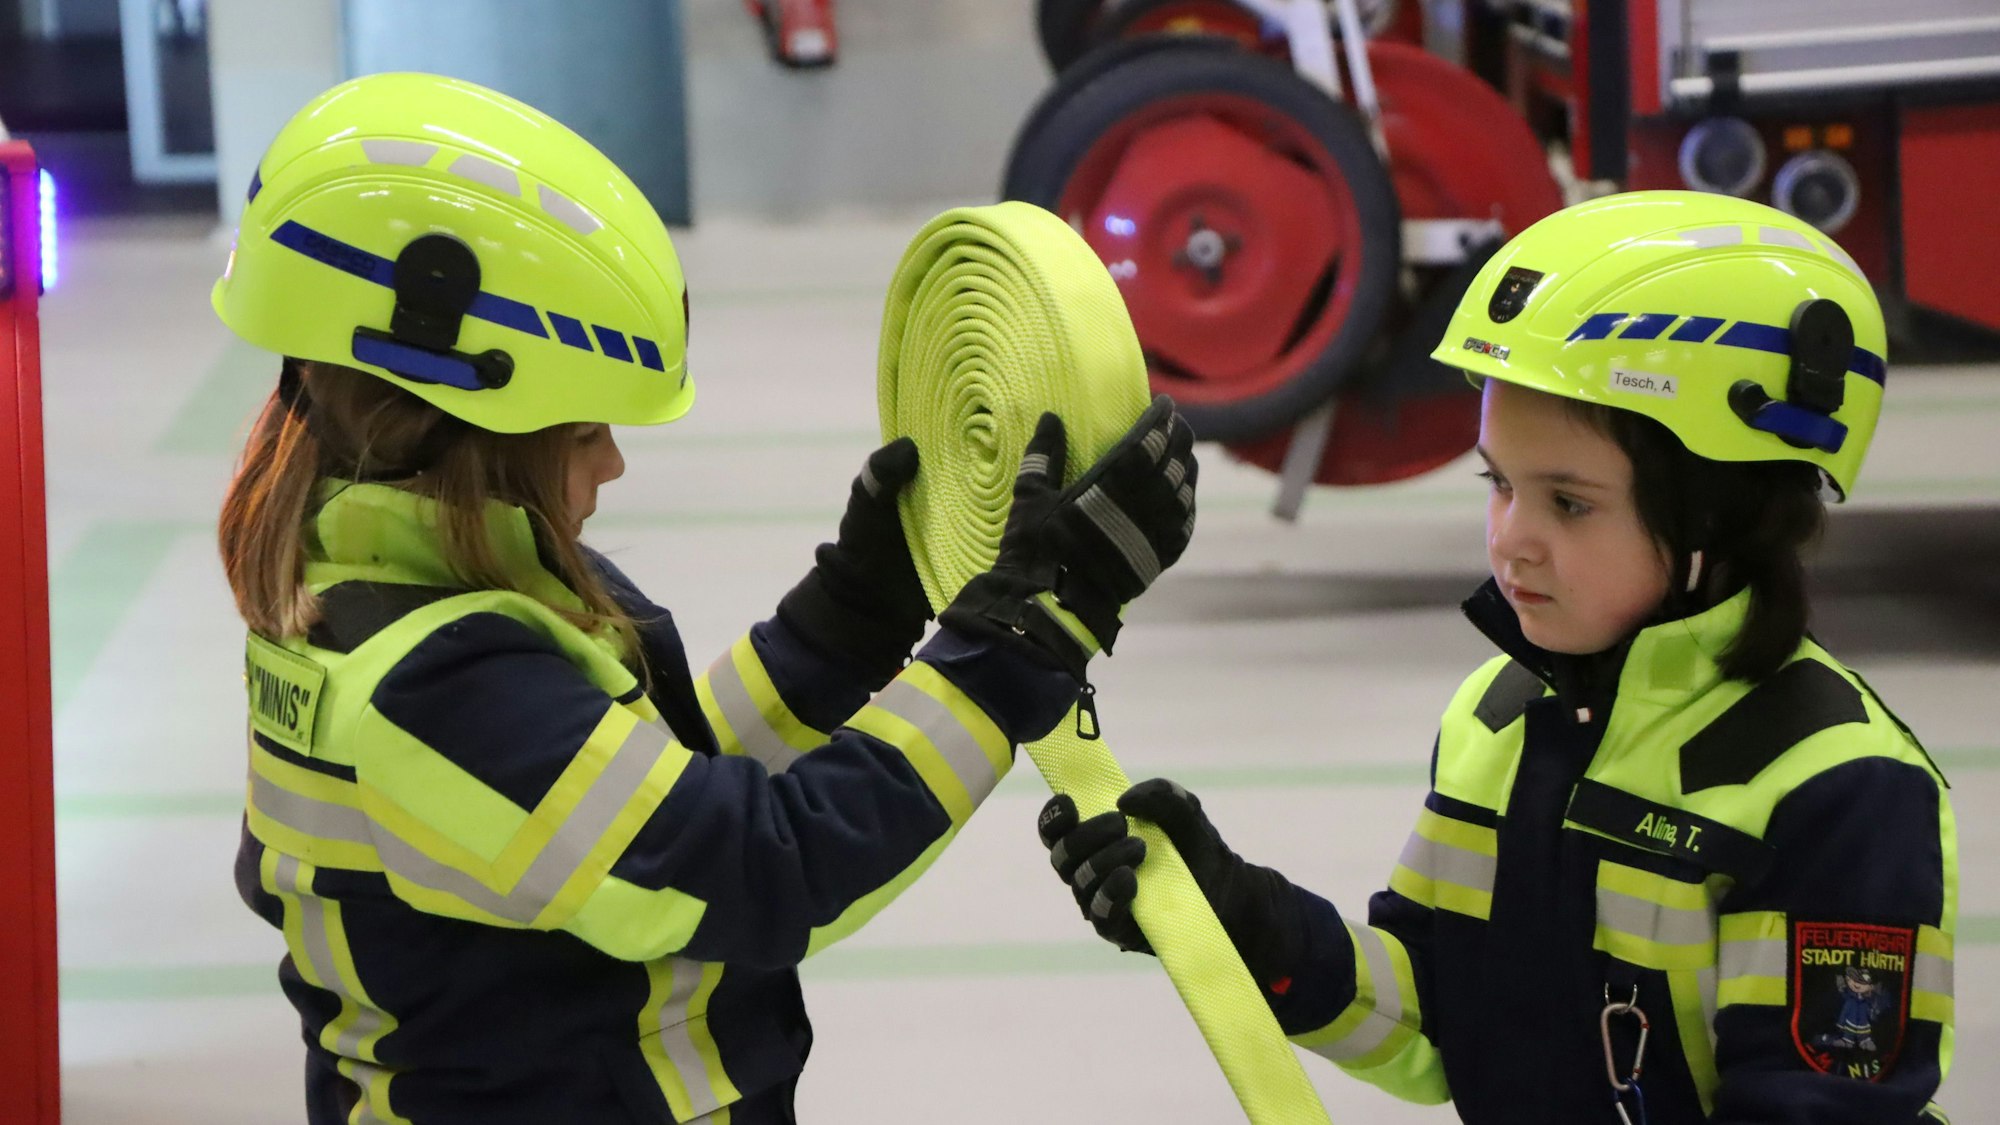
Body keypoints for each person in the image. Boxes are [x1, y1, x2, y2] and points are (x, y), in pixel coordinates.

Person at [213, 72, 1197, 1124]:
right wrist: (1016, 648)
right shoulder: (434, 688)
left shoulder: (421, 594)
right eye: (585, 431)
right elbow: (758, 869)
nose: (612, 466)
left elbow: (643, 793)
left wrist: (848, 619)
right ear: (460, 429)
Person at [1038, 191, 1956, 1124]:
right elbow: (1433, 1020)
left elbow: (1815, 1105)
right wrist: (1234, 916)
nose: (1511, 540)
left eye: (1569, 502)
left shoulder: (1836, 789)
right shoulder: (1501, 715)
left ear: (1720, 514)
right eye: (1499, 483)